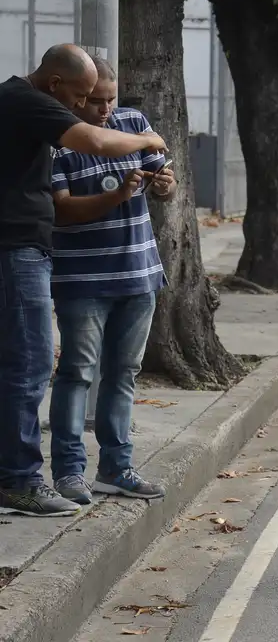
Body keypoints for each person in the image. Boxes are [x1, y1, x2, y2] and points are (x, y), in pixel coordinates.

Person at [0, 44, 167, 517]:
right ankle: (21, 481)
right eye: (80, 95)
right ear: (55, 84)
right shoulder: (29, 101)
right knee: (32, 367)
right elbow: (93, 143)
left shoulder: (28, 103)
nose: (85, 105)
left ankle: (32, 475)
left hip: (34, 251)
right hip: (18, 251)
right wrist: (146, 141)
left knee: (28, 364)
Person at [48, 56, 175, 505]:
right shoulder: (57, 138)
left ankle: (117, 468)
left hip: (138, 275)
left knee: (123, 373)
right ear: (77, 95)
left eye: (110, 99)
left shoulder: (134, 123)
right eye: (94, 101)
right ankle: (67, 472)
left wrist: (162, 186)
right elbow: (61, 211)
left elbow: (167, 179)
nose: (104, 110)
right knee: (77, 374)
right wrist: (117, 194)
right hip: (81, 279)